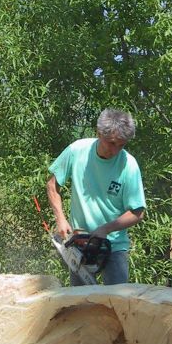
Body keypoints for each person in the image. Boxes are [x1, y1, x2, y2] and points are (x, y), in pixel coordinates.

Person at [46, 108, 146, 285]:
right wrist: (60, 219)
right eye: (112, 143)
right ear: (98, 133)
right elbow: (52, 185)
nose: (115, 150)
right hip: (79, 242)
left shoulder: (129, 165)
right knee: (80, 303)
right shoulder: (77, 151)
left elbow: (137, 212)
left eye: (121, 145)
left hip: (113, 246)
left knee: (117, 303)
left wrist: (106, 229)